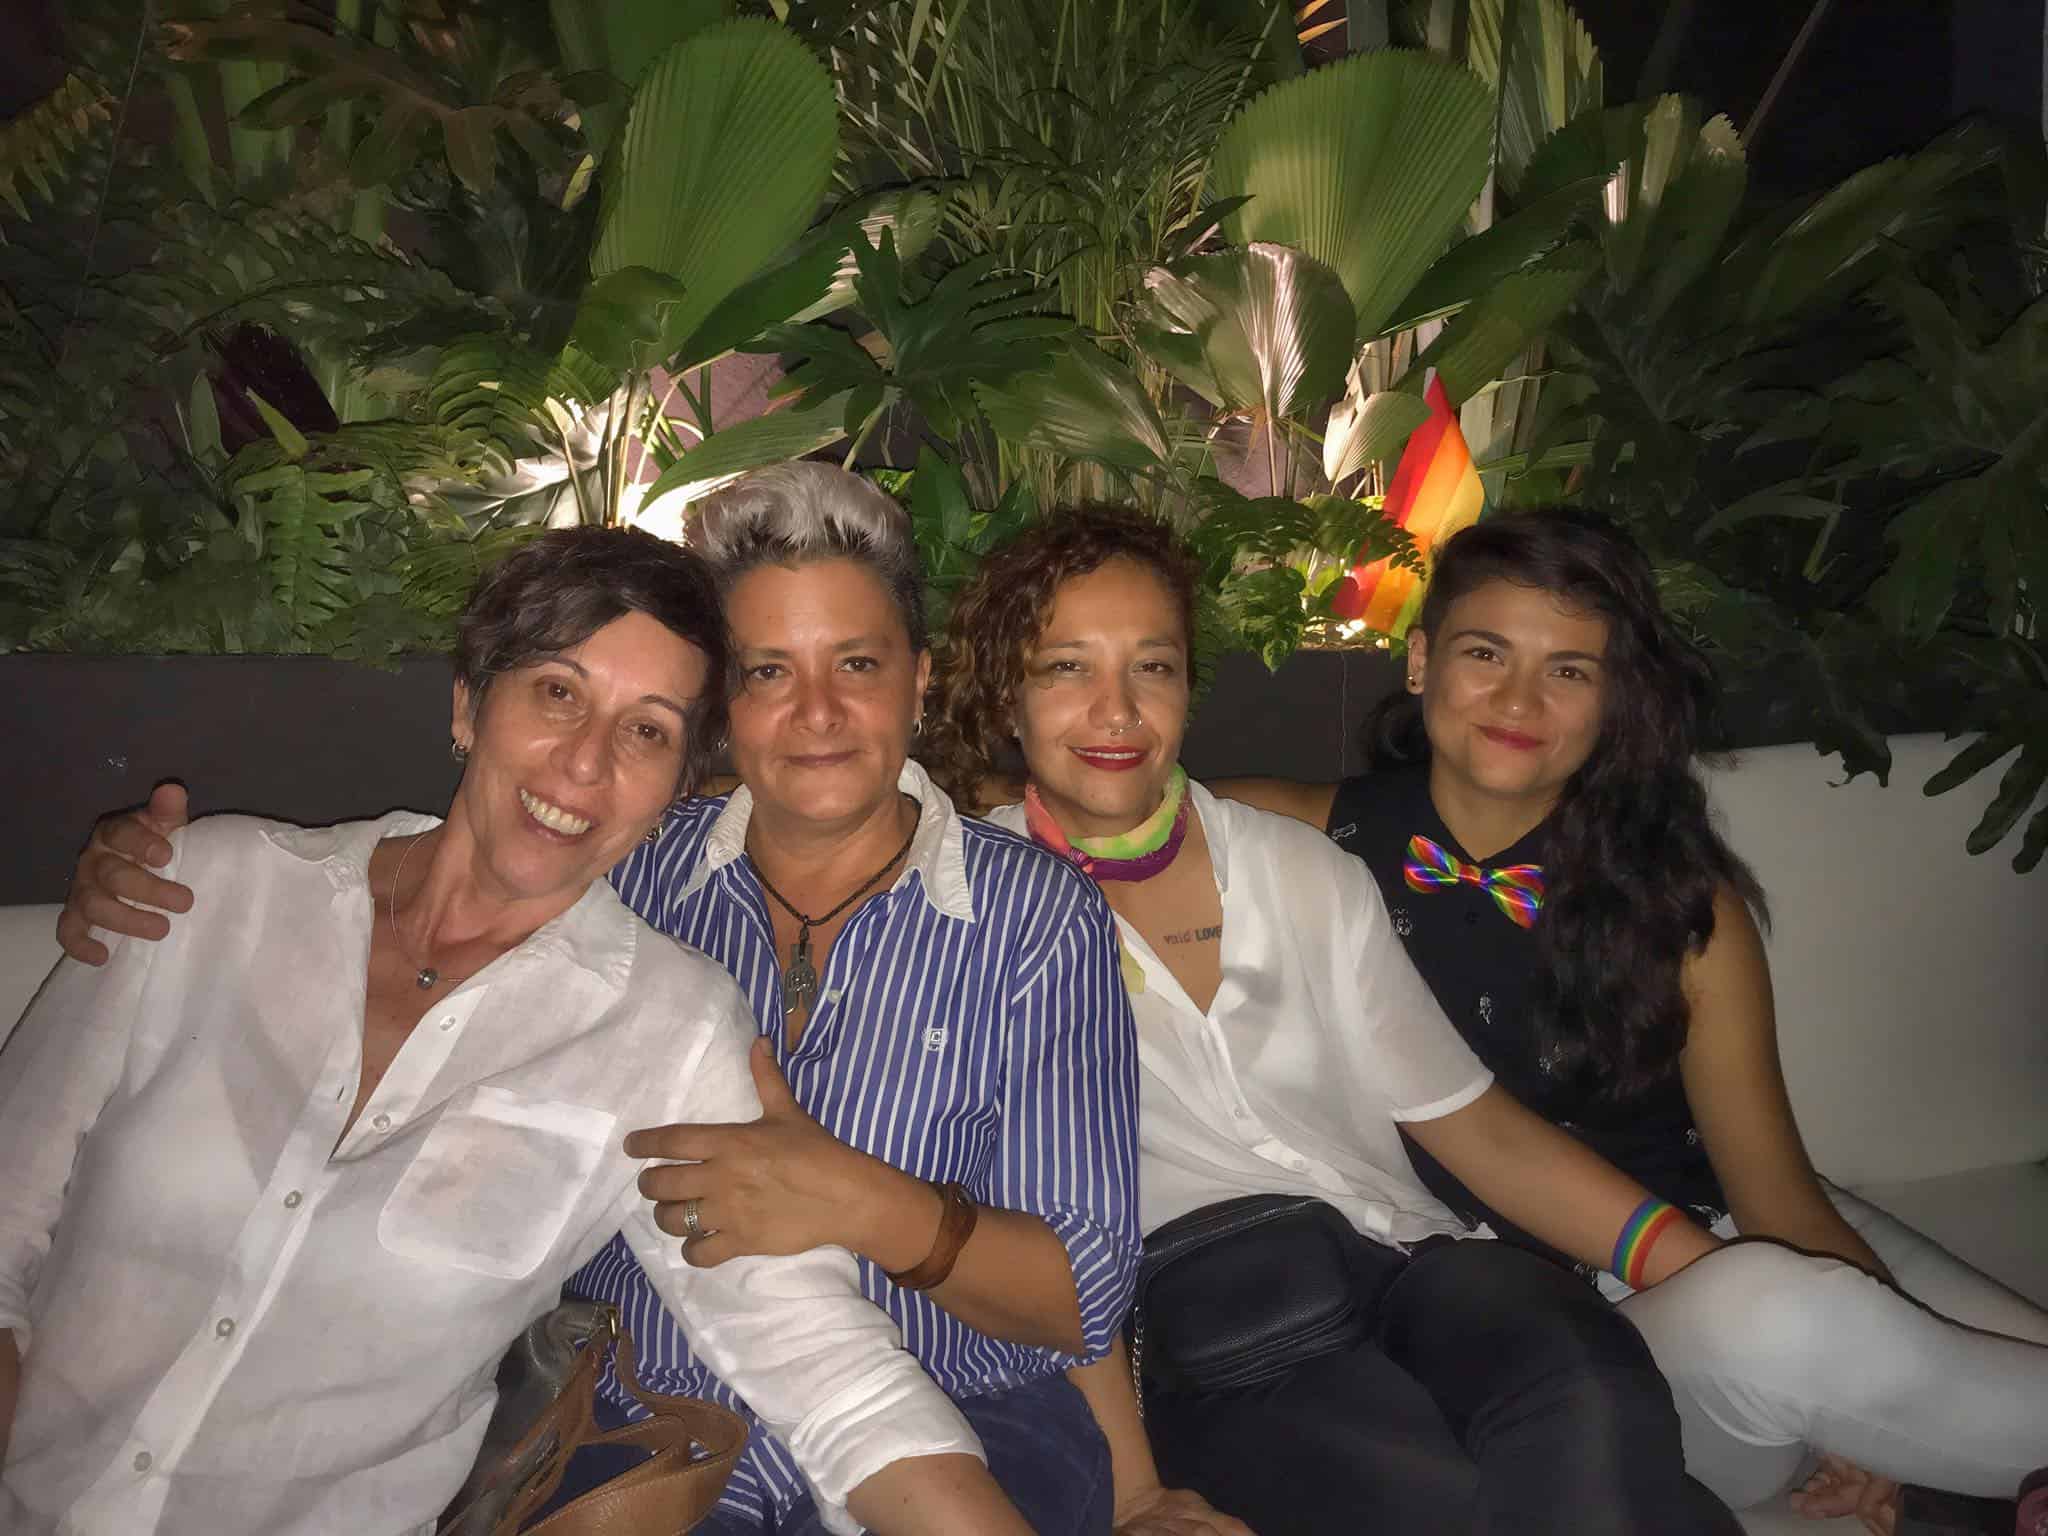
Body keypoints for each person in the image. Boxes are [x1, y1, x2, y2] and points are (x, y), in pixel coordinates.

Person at [49, 467, 1237, 1536]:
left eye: (857, 665)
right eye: (767, 671)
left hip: (957, 1419)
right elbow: (444, 889)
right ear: (721, 713)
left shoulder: (1031, 919)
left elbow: (1083, 1293)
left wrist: (858, 1199)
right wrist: (152, 886)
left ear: (918, 682)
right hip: (634, 1424)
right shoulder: (623, 861)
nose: (816, 712)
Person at [1207, 508, 2048, 1532]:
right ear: (1420, 661)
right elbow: (1087, 820)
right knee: (1782, 1316)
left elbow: (1777, 1199)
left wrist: (1872, 1399)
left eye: (1568, 670)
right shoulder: (1287, 835)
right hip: (1605, 1325)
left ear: (1611, 700)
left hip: (1755, 1231)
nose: (1519, 699)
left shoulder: (1679, 904)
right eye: (1485, 653)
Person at [920, 504, 1742, 1536]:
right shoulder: (960, 916)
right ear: (1008, 691)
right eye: (1066, 668)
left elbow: (1475, 1129)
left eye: (1152, 666)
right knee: (1488, 1504)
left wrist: (1737, 1296)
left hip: (1415, 1261)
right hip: (1215, 1318)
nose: (1117, 709)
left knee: (1592, 1383)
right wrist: (1134, 1494)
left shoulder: (1297, 867)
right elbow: (1030, 1230)